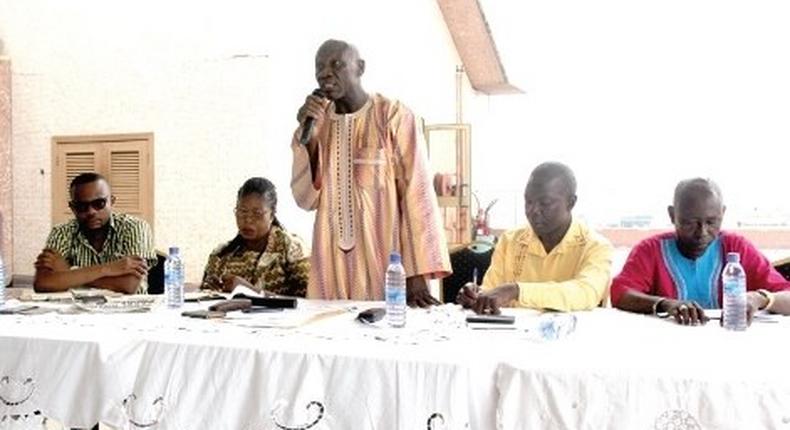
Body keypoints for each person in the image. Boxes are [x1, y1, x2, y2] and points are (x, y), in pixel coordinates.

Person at [291, 39, 450, 306]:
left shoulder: (392, 115)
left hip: (387, 264)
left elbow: (417, 193)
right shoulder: (316, 124)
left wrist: (416, 273)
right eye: (319, 67)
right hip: (330, 262)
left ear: (360, 67)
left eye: (337, 64)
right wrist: (311, 141)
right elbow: (306, 200)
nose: (325, 73)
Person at [611, 178, 790, 325]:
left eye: (711, 222)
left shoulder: (737, 247)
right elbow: (621, 293)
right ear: (672, 215)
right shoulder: (651, 250)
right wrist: (666, 304)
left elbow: (786, 295)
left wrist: (760, 298)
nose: (701, 233)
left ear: (723, 213)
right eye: (690, 223)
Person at [457, 162, 613, 314]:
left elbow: (585, 293)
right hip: (512, 337)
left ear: (571, 203)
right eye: (528, 201)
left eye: (545, 203)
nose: (533, 210)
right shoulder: (510, 240)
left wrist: (516, 290)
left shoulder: (596, 247)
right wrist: (476, 296)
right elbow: (492, 290)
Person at [33, 173, 156, 294]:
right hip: (76, 310)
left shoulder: (134, 227)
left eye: (99, 204)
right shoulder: (61, 232)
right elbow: (43, 282)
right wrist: (109, 269)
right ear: (73, 208)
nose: (91, 212)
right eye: (82, 206)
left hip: (128, 312)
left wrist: (69, 272)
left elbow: (129, 285)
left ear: (111, 201)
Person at [201, 177, 309, 296]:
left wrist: (248, 290)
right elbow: (203, 298)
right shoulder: (221, 255)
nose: (248, 220)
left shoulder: (292, 249)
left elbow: (308, 303)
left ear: (272, 215)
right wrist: (212, 291)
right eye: (242, 212)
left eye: (257, 214)